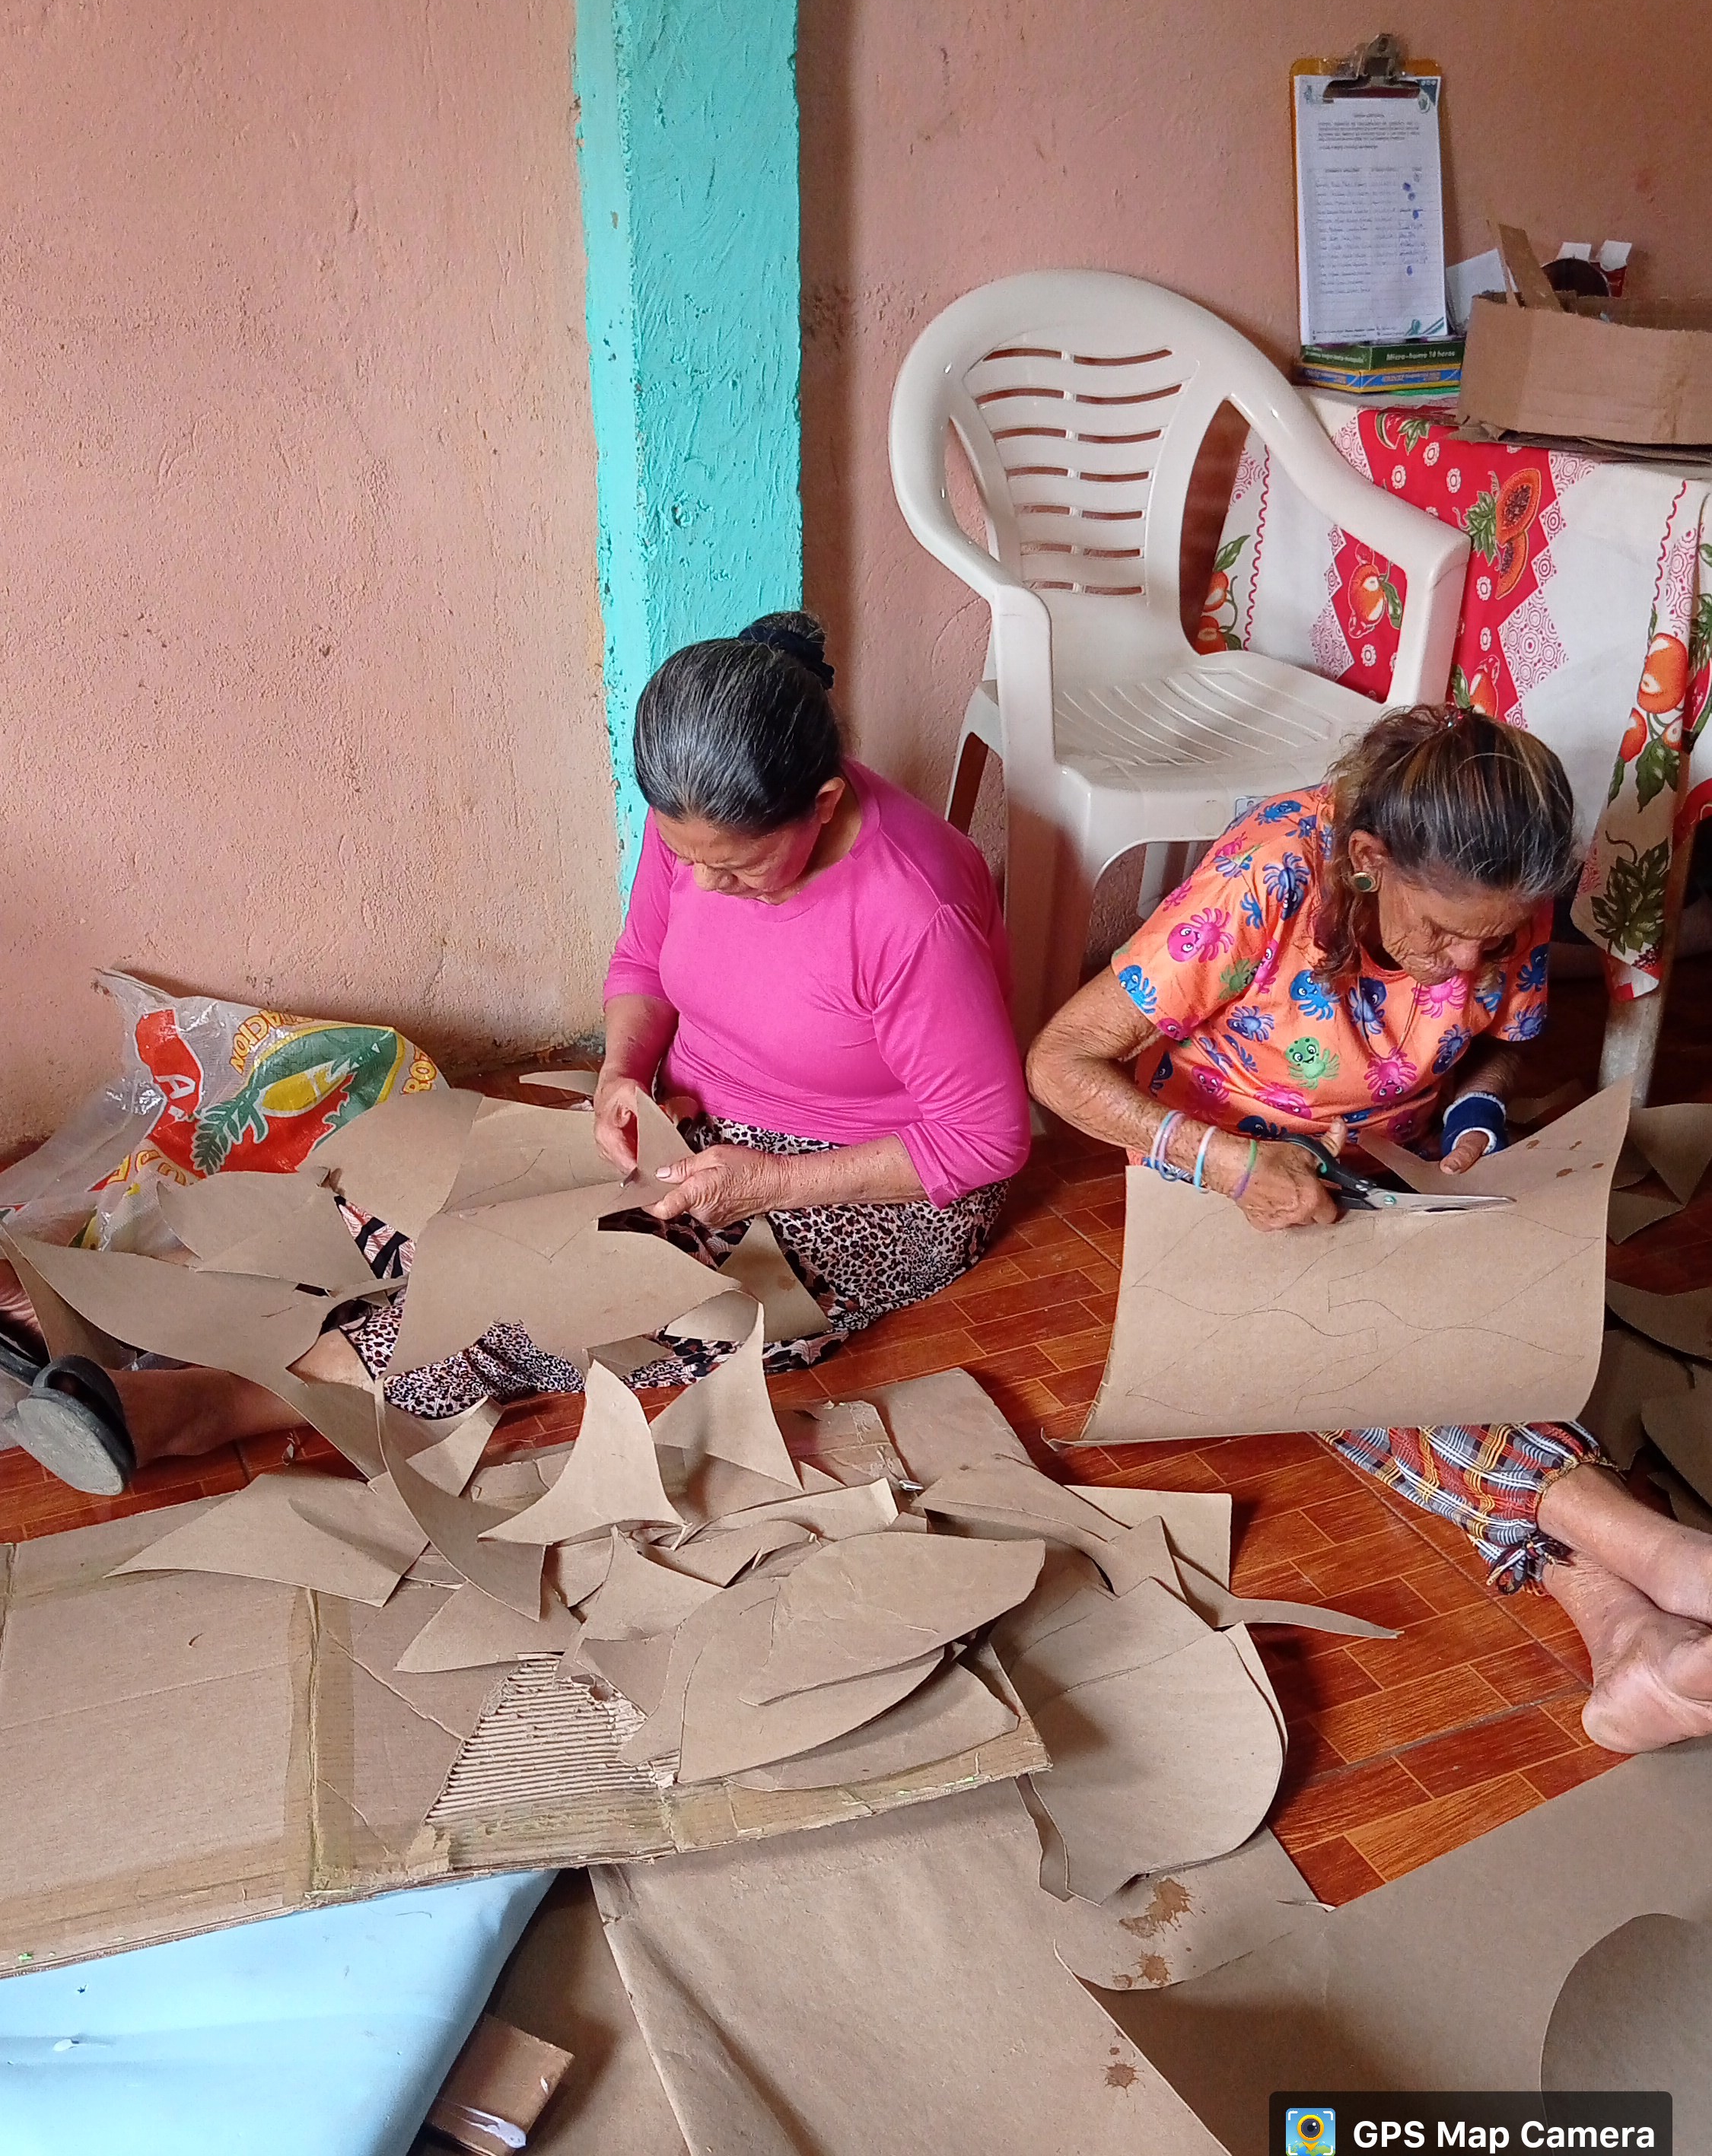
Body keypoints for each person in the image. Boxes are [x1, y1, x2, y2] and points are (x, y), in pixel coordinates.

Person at [5, 615, 1030, 1494]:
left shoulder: (913, 910)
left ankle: (203, 1406)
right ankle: (121, 1327)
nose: (707, 887)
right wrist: (624, 1072)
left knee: (551, 1297)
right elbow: (643, 963)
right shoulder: (702, 823)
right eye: (688, 860)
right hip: (696, 1132)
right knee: (419, 1204)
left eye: (739, 870)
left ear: (824, 804)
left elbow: (985, 1140)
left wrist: (767, 1185)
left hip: (867, 1190)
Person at [1026, 703, 1712, 1757]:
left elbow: (1499, 1042)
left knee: (1455, 1345)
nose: (1460, 964)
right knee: (1362, 1357)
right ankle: (1656, 1557)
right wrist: (1225, 1162)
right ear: (1367, 859)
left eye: (1489, 940)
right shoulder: (1269, 878)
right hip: (1224, 1179)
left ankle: (1626, 1631)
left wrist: (1477, 1114)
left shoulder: (1504, 899)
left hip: (1396, 1172)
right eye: (1437, 932)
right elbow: (1059, 1061)